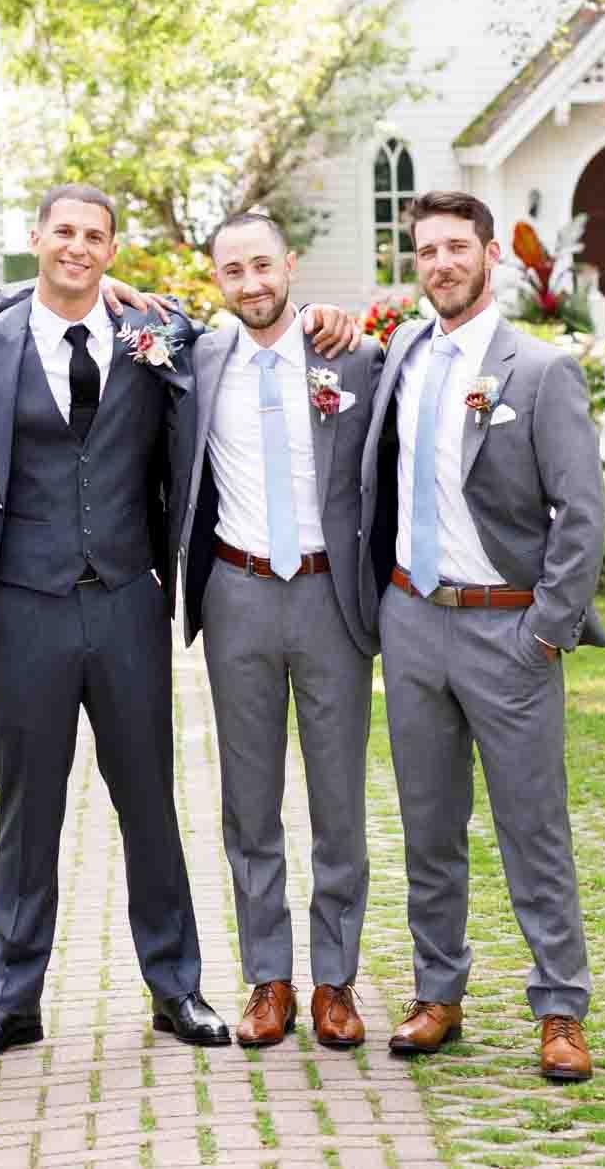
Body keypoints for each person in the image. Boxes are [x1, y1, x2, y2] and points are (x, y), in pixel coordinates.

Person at [0, 184, 361, 1063]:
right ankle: (10, 999)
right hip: (23, 606)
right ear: (35, 238)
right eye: (64, 233)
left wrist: (327, 317)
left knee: (150, 804)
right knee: (28, 809)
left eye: (95, 236)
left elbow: (256, 333)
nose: (78, 248)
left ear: (113, 248)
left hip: (129, 601)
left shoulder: (161, 336)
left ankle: (176, 988)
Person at [358, 189, 605, 1084]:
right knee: (429, 827)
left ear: (490, 255)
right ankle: (438, 993)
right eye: (426, 250)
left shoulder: (539, 371)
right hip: (413, 622)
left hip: (509, 631)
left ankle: (560, 1010)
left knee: (532, 828)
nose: (440, 264)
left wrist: (546, 630)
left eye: (456, 248)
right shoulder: (399, 358)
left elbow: (582, 517)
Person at [174, 210, 386, 1050]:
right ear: (216, 281)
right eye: (234, 271)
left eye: (264, 265)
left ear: (290, 264)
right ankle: (270, 979)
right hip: (238, 593)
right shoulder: (196, 359)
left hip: (330, 596)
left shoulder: (354, 356)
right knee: (248, 801)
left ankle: (336, 981)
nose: (252, 283)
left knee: (338, 801)